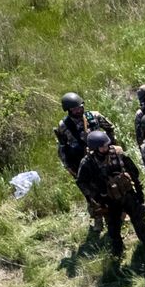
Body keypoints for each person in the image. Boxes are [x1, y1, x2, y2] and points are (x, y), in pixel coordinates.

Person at [75, 130, 145, 256]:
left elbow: (133, 172)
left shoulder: (117, 153)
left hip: (127, 194)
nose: (106, 148)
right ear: (95, 148)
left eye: (107, 145)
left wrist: (139, 193)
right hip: (109, 200)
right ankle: (118, 252)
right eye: (102, 147)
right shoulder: (88, 163)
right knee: (113, 228)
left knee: (139, 220)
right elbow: (81, 182)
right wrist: (96, 197)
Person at [55, 93, 115, 228]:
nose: (78, 110)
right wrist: (69, 168)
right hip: (82, 164)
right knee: (90, 194)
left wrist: (111, 146)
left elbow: (110, 128)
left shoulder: (93, 116)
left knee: (110, 186)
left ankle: (115, 213)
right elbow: (62, 149)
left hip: (102, 158)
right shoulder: (64, 125)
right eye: (74, 109)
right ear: (68, 110)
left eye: (79, 107)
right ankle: (98, 219)